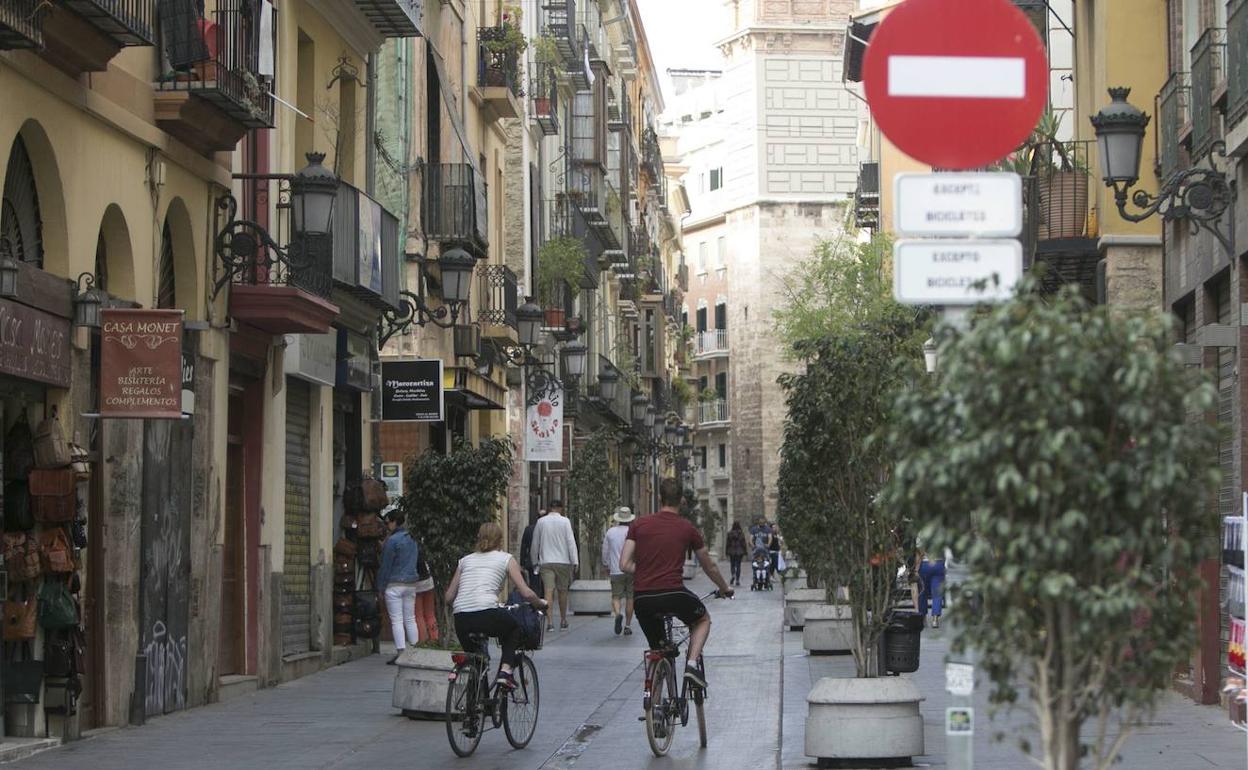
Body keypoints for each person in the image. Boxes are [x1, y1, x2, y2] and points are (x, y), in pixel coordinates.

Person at [621, 478, 733, 690]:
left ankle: (654, 699)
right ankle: (691, 665)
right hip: (674, 594)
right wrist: (724, 588)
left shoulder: (638, 525)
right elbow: (709, 567)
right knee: (702, 619)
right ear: (681, 500)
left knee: (658, 649)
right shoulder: (687, 528)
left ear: (659, 498)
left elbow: (624, 563)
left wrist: (645, 570)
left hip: (643, 598)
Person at [444, 522, 548, 690]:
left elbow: (449, 597)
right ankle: (505, 672)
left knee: (477, 660)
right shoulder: (506, 559)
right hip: (487, 612)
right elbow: (526, 593)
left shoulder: (464, 561)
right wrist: (540, 603)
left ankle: (475, 707)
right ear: (500, 540)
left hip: (461, 618)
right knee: (514, 629)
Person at [378, 511, 422, 664]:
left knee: (397, 620)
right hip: (411, 583)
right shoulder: (413, 539)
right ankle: (415, 650)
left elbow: (385, 566)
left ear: (394, 522)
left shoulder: (391, 541)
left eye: (387, 522)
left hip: (394, 584)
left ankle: (401, 652)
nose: (387, 526)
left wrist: (381, 587)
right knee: (410, 618)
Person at [530, 499, 578, 631]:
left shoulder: (541, 522)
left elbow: (535, 543)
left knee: (548, 592)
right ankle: (563, 620)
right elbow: (570, 542)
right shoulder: (565, 521)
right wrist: (574, 561)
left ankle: (550, 622)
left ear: (550, 508)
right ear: (561, 508)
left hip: (546, 561)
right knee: (563, 591)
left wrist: (535, 561)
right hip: (563, 561)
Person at [601, 506, 636, 636]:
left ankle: (617, 613)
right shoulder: (633, 531)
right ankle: (627, 625)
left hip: (616, 569)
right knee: (630, 597)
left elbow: (605, 551)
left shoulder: (610, 532)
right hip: (631, 569)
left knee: (616, 596)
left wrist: (606, 564)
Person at [916, 549, 947, 628]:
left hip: (924, 564)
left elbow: (919, 552)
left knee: (922, 592)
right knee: (937, 592)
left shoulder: (920, 536)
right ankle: (935, 620)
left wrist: (916, 569)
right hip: (938, 563)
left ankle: (923, 618)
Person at [519, 509, 545, 596]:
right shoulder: (548, 530)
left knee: (534, 584)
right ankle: (544, 603)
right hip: (546, 561)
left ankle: (535, 605)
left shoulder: (529, 529)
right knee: (546, 585)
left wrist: (522, 563)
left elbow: (523, 546)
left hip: (532, 562)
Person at [724, 521, 748, 586]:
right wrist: (745, 552)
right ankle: (737, 580)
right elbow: (743, 543)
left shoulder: (729, 533)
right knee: (738, 565)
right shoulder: (741, 534)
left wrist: (726, 552)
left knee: (732, 564)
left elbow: (727, 544)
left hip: (732, 551)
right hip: (739, 551)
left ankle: (733, 574)